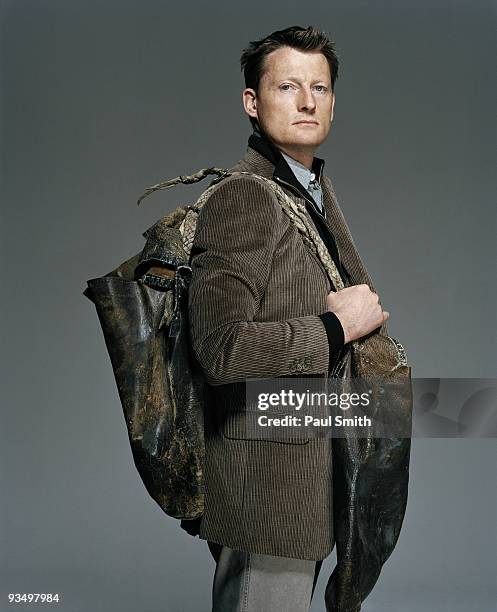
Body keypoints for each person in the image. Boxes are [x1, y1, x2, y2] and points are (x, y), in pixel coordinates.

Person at [187, 25, 389, 612]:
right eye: (288, 86)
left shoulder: (309, 192)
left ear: (332, 102)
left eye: (319, 88)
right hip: (268, 490)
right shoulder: (245, 195)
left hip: (311, 471)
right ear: (253, 102)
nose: (306, 101)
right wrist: (333, 329)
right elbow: (219, 349)